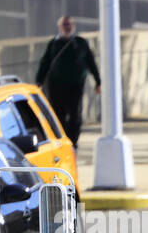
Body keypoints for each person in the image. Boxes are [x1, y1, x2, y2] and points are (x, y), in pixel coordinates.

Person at [34, 16, 101, 147]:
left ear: (73, 26)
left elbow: (91, 62)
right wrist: (39, 82)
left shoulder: (81, 43)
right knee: (58, 115)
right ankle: (62, 140)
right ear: (59, 27)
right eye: (64, 25)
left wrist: (98, 82)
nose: (67, 27)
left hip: (76, 86)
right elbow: (45, 63)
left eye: (69, 24)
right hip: (56, 86)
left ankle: (73, 141)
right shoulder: (53, 44)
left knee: (75, 115)